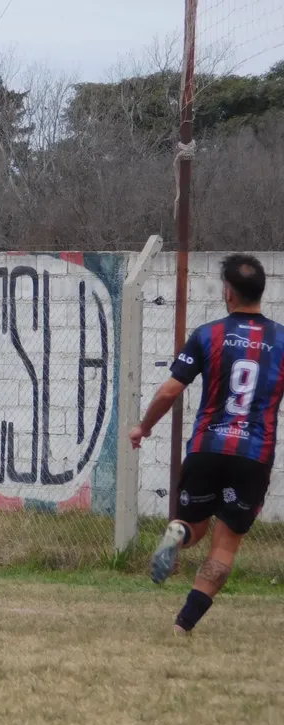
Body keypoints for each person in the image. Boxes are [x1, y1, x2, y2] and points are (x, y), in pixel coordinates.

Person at [131, 253, 284, 636]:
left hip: (207, 448)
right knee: (224, 546)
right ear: (261, 291)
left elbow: (170, 391)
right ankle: (183, 625)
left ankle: (179, 532)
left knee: (194, 527)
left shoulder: (207, 334)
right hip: (253, 455)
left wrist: (144, 428)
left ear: (227, 292)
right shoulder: (281, 340)